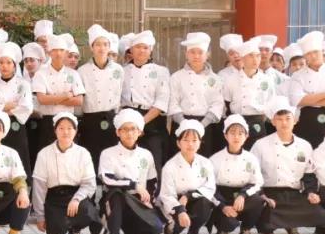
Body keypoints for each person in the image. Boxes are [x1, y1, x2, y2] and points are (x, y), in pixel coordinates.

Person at [251, 96, 325, 234]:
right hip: (270, 193)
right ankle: (286, 224)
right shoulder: (261, 144)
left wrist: (310, 192)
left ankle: (291, 225)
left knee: (321, 215)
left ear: (295, 120)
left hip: (294, 194)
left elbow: (309, 174)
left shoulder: (305, 145)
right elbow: (253, 174)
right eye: (279, 119)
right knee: (266, 227)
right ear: (273, 121)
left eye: (288, 119)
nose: (284, 123)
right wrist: (261, 194)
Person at [97, 109, 164, 234]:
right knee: (116, 193)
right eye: (125, 129)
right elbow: (107, 179)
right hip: (114, 200)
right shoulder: (108, 153)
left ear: (140, 132)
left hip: (137, 200)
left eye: (133, 129)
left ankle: (131, 231)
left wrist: (150, 201)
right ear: (118, 132)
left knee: (156, 228)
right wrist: (134, 185)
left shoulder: (146, 154)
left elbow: (152, 181)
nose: (129, 133)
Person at [31, 112, 100, 234]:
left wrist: (77, 199)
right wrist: (40, 216)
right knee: (56, 225)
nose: (66, 132)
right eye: (61, 128)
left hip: (76, 194)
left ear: (76, 131)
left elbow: (90, 184)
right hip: (53, 196)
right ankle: (53, 232)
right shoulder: (44, 154)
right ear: (55, 130)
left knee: (87, 211)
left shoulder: (83, 153)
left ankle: (75, 230)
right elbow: (39, 188)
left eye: (70, 128)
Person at [207, 115, 266, 234]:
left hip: (242, 197)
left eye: (240, 133)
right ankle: (223, 228)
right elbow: (209, 188)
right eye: (232, 133)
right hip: (222, 197)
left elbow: (258, 182)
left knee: (258, 200)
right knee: (228, 224)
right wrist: (223, 206)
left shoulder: (251, 158)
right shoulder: (214, 159)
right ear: (225, 135)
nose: (236, 137)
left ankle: (246, 229)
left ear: (246, 136)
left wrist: (243, 195)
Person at [157, 120, 217, 234]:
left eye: (194, 140)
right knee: (178, 222)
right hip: (175, 202)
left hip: (196, 198)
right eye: (186, 140)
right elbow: (166, 195)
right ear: (178, 143)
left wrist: (188, 196)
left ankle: (193, 232)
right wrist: (180, 210)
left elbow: (210, 188)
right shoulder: (170, 166)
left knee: (205, 202)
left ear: (200, 143)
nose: (190, 144)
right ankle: (171, 229)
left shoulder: (206, 163)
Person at [31, 34, 85, 165]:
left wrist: (52, 98)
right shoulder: (41, 74)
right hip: (48, 122)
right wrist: (66, 96)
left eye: (61, 50)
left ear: (66, 53)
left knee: (69, 159)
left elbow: (79, 101)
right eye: (55, 50)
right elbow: (42, 99)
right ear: (49, 52)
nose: (58, 53)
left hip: (68, 121)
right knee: (47, 160)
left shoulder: (73, 74)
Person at [169, 32, 224, 157]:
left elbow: (217, 104)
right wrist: (184, 123)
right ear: (186, 54)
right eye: (192, 52)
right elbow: (173, 102)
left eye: (200, 52)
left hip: (205, 125)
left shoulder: (215, 79)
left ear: (207, 54)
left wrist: (202, 125)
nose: (196, 56)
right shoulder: (176, 77)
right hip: (180, 123)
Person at [121, 31, 171, 168]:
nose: (141, 51)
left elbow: (161, 102)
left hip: (153, 121)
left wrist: (140, 124)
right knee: (129, 164)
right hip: (128, 120)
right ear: (131, 50)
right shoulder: (122, 71)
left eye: (145, 47)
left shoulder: (161, 71)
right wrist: (132, 125)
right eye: (138, 47)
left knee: (154, 163)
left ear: (151, 50)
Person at [77, 25, 124, 169]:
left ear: (109, 47)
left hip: (112, 119)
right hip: (89, 120)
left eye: (105, 44)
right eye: (97, 44)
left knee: (111, 160)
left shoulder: (118, 70)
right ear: (91, 47)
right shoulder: (82, 71)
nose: (102, 48)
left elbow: (120, 94)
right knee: (91, 159)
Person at [0, 42, 34, 174]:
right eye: (1, 63)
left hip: (17, 126)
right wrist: (7, 106)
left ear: (14, 65)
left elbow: (26, 107)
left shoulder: (23, 84)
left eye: (8, 62)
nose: (4, 66)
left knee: (19, 161)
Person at [222, 39, 278, 151]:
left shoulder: (266, 80)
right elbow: (226, 103)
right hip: (237, 122)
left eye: (257, 56)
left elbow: (271, 103)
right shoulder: (231, 80)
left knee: (258, 153)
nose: (255, 59)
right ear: (243, 58)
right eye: (251, 56)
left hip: (258, 122)